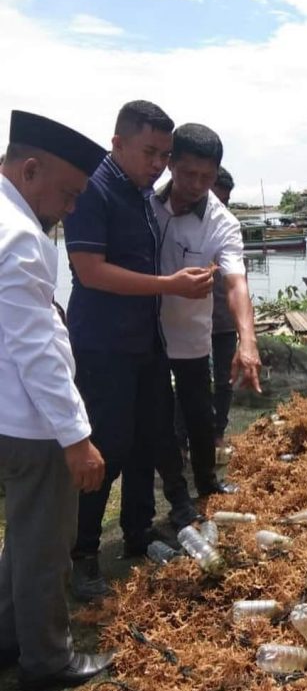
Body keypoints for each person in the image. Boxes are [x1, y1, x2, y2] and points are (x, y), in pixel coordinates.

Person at [65, 101, 211, 601]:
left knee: (149, 437)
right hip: (104, 344)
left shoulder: (141, 194)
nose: (157, 164)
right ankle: (82, 554)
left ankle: (136, 531)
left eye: (163, 154)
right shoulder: (95, 191)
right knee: (105, 448)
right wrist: (169, 284)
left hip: (145, 342)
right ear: (118, 143)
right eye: (149, 152)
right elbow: (89, 271)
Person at [0, 109, 115, 689]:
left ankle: (7, 636)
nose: (71, 209)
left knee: (21, 535)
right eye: (68, 194)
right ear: (29, 168)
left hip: (9, 416)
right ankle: (46, 658)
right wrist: (76, 437)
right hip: (31, 423)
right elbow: (36, 350)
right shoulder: (19, 237)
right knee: (46, 545)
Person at [151, 124, 261, 497]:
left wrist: (248, 341)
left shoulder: (222, 223)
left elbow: (236, 283)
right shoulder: (145, 204)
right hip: (143, 333)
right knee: (155, 419)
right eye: (189, 174)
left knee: (200, 416)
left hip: (190, 336)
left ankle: (206, 486)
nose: (198, 184)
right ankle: (167, 496)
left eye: (207, 177)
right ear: (170, 165)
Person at [209, 166, 240, 447]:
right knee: (188, 383)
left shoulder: (229, 224)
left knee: (224, 380)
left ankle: (218, 433)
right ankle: (181, 441)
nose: (222, 207)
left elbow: (238, 281)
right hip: (192, 321)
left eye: (226, 201)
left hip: (224, 319)